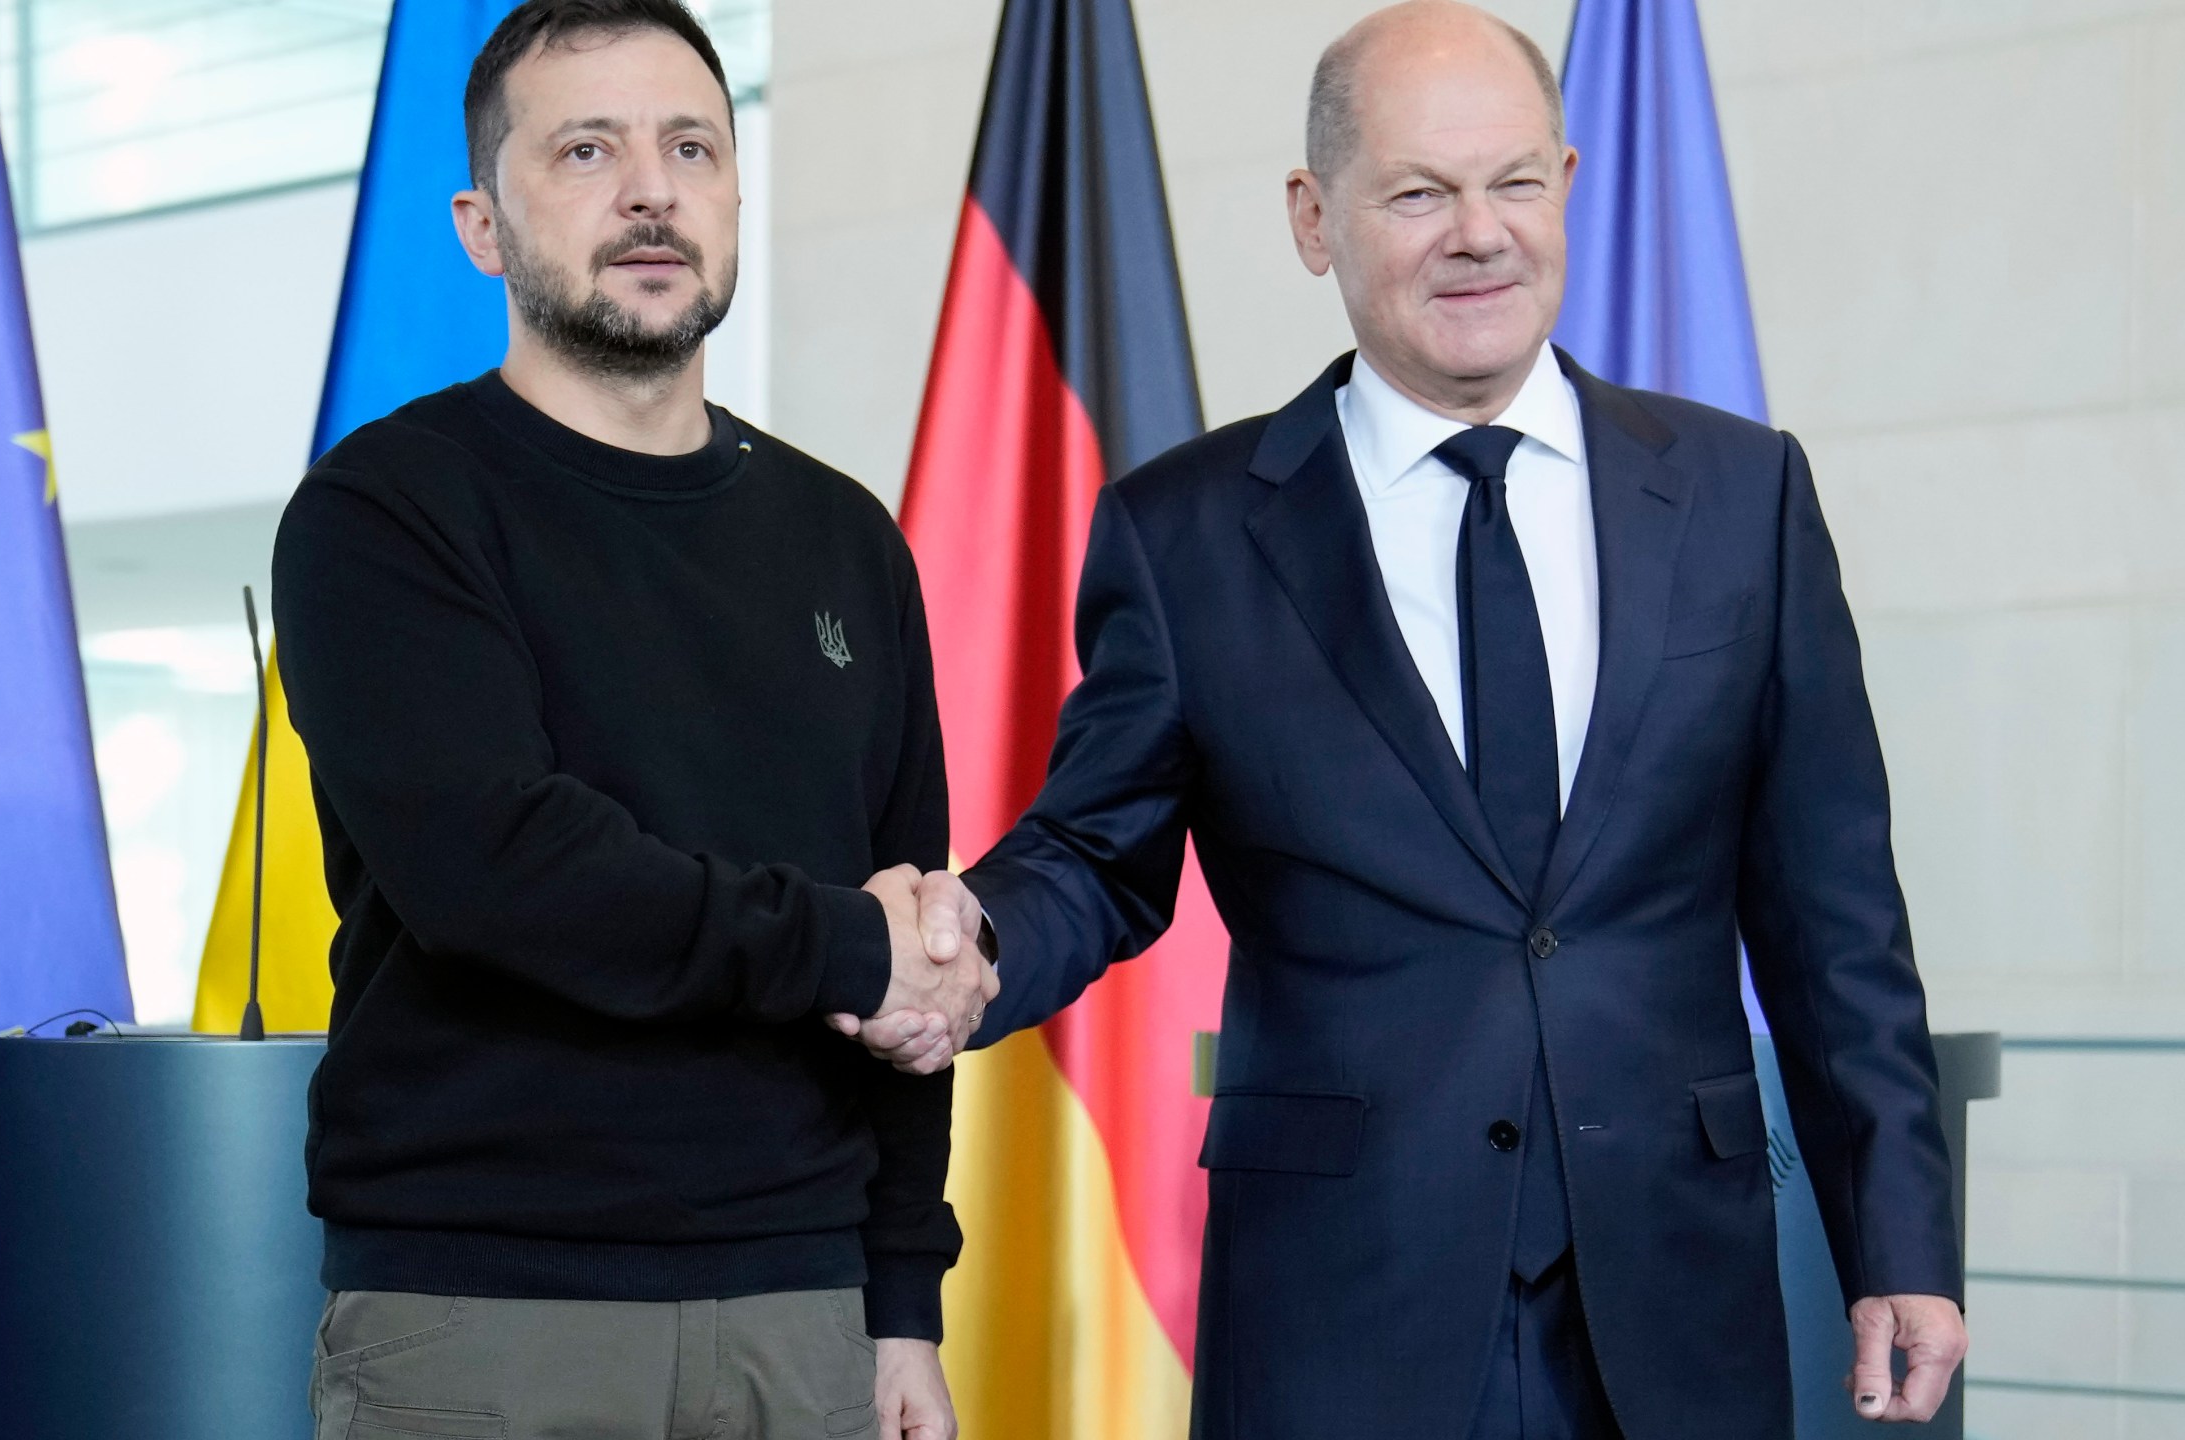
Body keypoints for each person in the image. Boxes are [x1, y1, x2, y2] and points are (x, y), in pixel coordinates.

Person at [850, 2, 1968, 1434]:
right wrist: (978, 942)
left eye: (1512, 183)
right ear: (1316, 220)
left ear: (1569, 185)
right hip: (1342, 1312)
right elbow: (1096, 853)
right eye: (1419, 194)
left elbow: (1834, 916)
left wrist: (1901, 1245)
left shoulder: (1742, 499)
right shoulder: (1183, 535)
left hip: (1674, 1303)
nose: (1478, 234)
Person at [273, 3, 992, 1436]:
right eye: (588, 150)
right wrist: (849, 942)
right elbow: (508, 871)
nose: (652, 189)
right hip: (488, 1316)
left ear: (732, 195)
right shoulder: (387, 511)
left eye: (691, 147)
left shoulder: (848, 539)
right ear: (482, 225)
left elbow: (919, 916)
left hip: (805, 1313)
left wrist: (902, 1298)